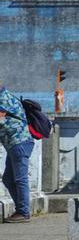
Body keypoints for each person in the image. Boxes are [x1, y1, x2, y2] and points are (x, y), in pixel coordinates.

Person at [0, 86, 34, 223]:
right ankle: (21, 209)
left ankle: (23, 212)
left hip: (19, 143)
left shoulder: (3, 99)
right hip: (17, 143)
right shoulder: (7, 96)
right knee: (8, 179)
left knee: (20, 179)